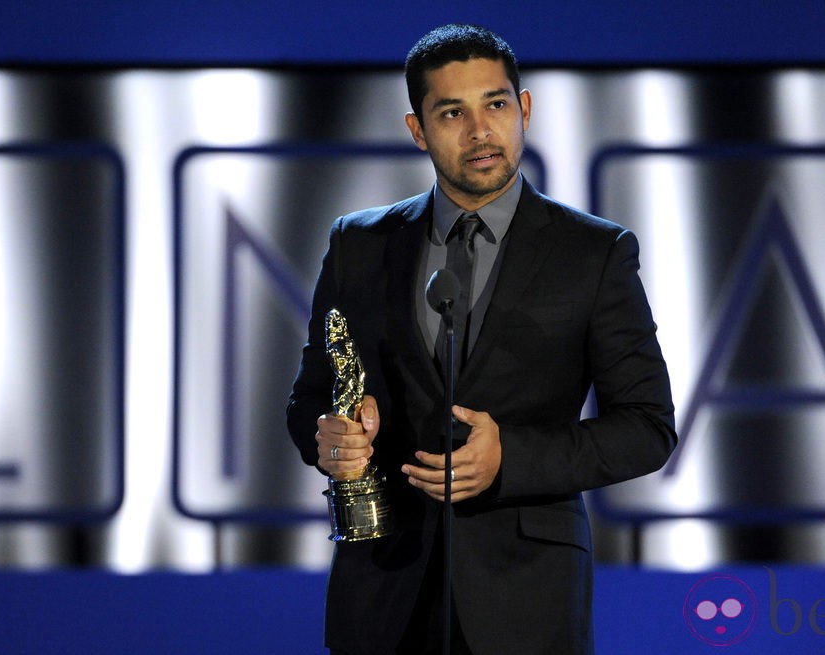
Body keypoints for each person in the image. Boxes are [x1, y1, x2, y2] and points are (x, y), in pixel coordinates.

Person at [287, 23, 677, 655]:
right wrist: (328, 440)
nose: (479, 132)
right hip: (383, 595)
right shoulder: (357, 244)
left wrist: (510, 460)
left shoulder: (595, 253)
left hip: (526, 603)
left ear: (523, 109)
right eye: (451, 112)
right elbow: (310, 398)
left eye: (496, 104)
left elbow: (647, 426)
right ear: (417, 129)